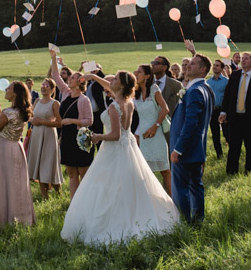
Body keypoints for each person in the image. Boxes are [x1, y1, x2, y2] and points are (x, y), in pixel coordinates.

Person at [62, 71, 180, 245]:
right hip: (129, 146)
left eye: (115, 79)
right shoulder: (128, 102)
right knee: (129, 184)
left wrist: (96, 137)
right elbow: (123, 127)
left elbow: (115, 135)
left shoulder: (113, 106)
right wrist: (93, 78)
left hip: (114, 148)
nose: (112, 81)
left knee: (107, 185)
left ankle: (112, 222)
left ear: (122, 85)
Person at [0, 80, 36, 228]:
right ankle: (20, 218)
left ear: (16, 93)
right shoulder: (20, 111)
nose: (6, 89)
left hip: (5, 148)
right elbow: (6, 126)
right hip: (17, 148)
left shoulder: (9, 112)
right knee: (16, 183)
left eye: (9, 88)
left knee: (2, 183)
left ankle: (1, 220)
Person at [170, 53, 215, 223]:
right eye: (188, 63)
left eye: (193, 64)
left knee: (181, 188)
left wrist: (178, 148)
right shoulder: (205, 88)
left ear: (203, 69)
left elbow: (191, 123)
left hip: (185, 148)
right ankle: (198, 220)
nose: (188, 66)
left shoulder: (195, 91)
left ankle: (184, 222)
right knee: (196, 186)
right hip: (197, 148)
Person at [49, 49, 93, 198]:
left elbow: (89, 120)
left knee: (83, 173)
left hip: (79, 139)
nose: (69, 79)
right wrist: (53, 58)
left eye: (72, 77)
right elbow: (55, 75)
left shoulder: (84, 100)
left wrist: (73, 121)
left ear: (80, 82)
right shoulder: (66, 93)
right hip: (67, 138)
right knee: (71, 173)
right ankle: (74, 203)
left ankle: (85, 202)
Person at [218, 51, 251, 174]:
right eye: (242, 58)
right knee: (234, 146)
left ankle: (249, 171)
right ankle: (231, 171)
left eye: (246, 59)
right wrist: (224, 111)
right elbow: (228, 95)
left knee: (250, 147)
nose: (243, 60)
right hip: (235, 117)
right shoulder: (234, 76)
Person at [133, 63, 172, 193]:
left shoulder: (154, 88)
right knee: (146, 172)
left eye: (139, 72)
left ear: (147, 76)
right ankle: (152, 201)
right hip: (143, 136)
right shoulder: (135, 93)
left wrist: (155, 126)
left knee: (165, 170)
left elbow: (165, 109)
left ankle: (173, 201)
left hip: (156, 133)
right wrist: (137, 134)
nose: (135, 74)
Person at [27, 78, 63, 198]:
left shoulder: (55, 103)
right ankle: (44, 196)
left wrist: (43, 122)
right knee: (38, 162)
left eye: (47, 86)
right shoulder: (37, 101)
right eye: (43, 85)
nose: (43, 87)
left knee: (48, 164)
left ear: (52, 89)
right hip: (37, 135)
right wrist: (33, 120)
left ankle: (59, 193)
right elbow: (30, 116)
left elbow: (59, 122)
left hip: (49, 135)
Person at [207, 59, 229, 160]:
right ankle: (219, 155)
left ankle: (231, 151)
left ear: (221, 68)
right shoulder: (208, 82)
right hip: (212, 110)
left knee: (226, 132)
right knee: (215, 134)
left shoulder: (226, 81)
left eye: (217, 65)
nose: (215, 67)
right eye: (214, 65)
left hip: (223, 110)